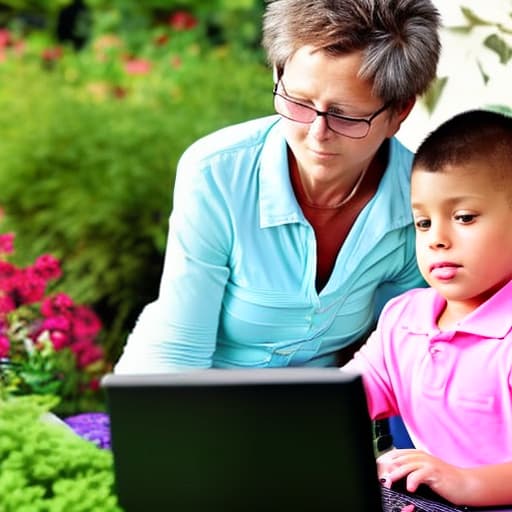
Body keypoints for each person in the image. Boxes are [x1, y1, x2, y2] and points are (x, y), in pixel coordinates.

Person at [115, 0, 440, 374]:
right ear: (277, 74)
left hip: (307, 409)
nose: (317, 134)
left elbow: (391, 350)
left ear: (399, 111)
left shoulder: (420, 199)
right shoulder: (217, 174)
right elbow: (179, 353)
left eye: (345, 115)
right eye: (299, 103)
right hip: (185, 390)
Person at [344, 109, 512, 508]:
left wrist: (465, 482)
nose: (437, 238)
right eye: (422, 222)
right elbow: (339, 402)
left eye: (464, 217)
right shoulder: (404, 319)